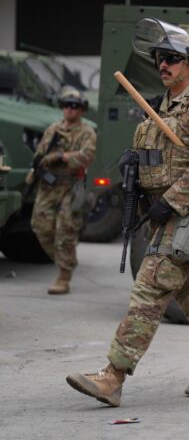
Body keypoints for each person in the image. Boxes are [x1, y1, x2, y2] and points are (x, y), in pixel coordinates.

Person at [66, 19, 189, 407]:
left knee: (148, 291)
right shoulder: (159, 108)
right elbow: (161, 158)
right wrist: (136, 164)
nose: (162, 65)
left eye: (172, 59)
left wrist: (173, 201)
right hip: (164, 216)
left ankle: (113, 376)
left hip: (188, 216)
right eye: (160, 58)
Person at [29, 86, 96, 295]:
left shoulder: (86, 132)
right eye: (67, 106)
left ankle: (64, 275)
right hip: (49, 185)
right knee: (40, 226)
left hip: (71, 185)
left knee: (66, 229)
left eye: (75, 106)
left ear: (82, 109)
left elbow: (86, 157)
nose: (70, 110)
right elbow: (40, 153)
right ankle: (63, 259)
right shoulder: (52, 129)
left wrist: (61, 157)